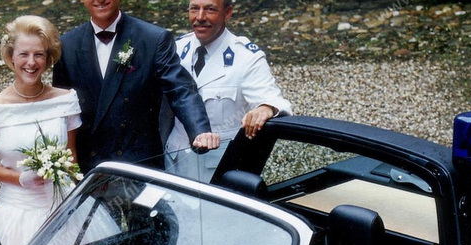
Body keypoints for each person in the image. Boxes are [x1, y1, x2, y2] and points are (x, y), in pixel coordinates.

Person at [53, 0, 219, 172]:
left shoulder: (153, 38)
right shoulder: (66, 46)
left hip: (139, 166)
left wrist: (199, 130)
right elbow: (60, 108)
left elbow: (180, 89)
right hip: (89, 170)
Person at [0, 15, 82, 245]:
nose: (31, 62)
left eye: (39, 55)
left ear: (48, 58)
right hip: (16, 209)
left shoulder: (65, 100)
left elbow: (72, 155)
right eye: (23, 54)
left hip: (62, 207)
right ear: (11, 56)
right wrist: (20, 178)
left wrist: (73, 192)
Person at [165, 0, 292, 182]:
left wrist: (265, 108)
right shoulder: (176, 49)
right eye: (194, 9)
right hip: (174, 163)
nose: (200, 17)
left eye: (210, 9)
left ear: (228, 12)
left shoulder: (246, 57)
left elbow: (274, 100)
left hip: (217, 169)